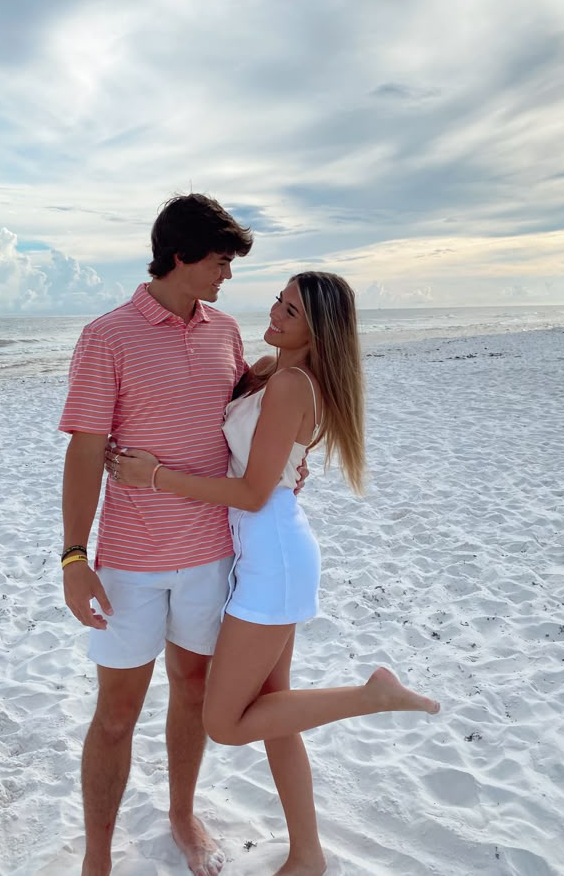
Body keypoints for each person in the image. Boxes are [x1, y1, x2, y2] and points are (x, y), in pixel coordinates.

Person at [108, 271, 440, 876]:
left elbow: (253, 492)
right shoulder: (270, 371)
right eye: (280, 301)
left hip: (272, 562)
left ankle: (372, 696)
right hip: (264, 556)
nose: (277, 311)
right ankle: (308, 855)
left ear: (320, 328)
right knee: (276, 713)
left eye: (293, 310)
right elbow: (256, 453)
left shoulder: (291, 384)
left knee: (225, 723)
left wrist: (152, 476)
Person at [59, 193, 257, 876]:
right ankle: (97, 855)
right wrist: (73, 555)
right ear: (181, 255)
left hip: (210, 551)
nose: (226, 275)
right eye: (220, 261)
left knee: (194, 687)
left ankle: (181, 812)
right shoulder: (107, 335)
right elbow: (85, 451)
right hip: (131, 560)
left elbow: (240, 421)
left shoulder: (226, 330)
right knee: (116, 709)